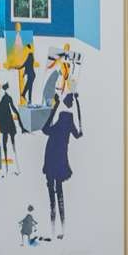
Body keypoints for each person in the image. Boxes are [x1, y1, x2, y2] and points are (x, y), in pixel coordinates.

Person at [40, 92, 82, 236]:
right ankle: (63, 228)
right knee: (60, 193)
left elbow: (45, 129)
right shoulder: (69, 123)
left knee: (52, 193)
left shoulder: (58, 123)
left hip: (51, 158)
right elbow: (78, 135)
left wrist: (55, 106)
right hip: (60, 159)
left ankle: (53, 228)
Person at [0, 81, 27, 172]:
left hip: (6, 124)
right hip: (8, 124)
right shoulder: (6, 98)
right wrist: (21, 126)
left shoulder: (0, 100)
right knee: (10, 143)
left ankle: (8, 168)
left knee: (6, 143)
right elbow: (15, 111)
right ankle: (11, 168)